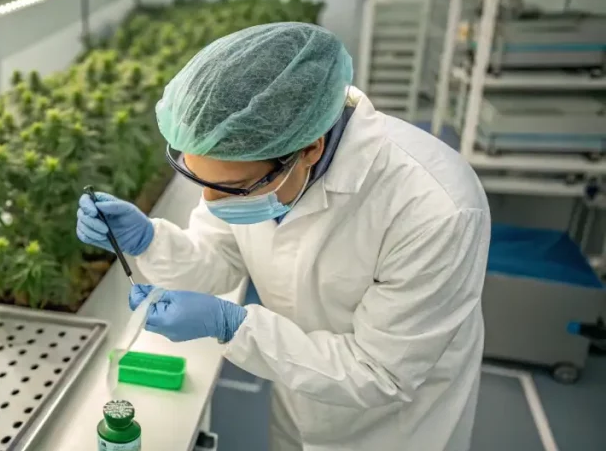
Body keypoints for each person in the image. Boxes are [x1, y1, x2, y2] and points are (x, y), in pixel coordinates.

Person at [76, 22, 489, 451]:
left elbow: (380, 371)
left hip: (390, 428)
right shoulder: (252, 157)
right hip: (298, 393)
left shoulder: (435, 210)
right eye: (200, 179)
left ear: (310, 149)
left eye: (233, 188)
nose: (211, 201)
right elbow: (218, 256)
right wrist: (148, 241)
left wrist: (231, 325)